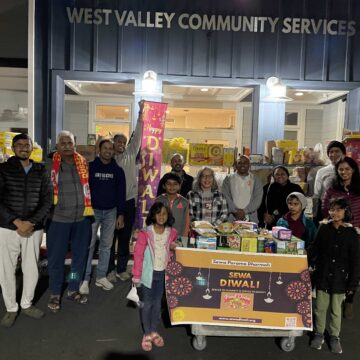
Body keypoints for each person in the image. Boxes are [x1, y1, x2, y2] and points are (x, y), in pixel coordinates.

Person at [0, 134, 52, 327]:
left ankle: (27, 303)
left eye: (27, 145)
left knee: (31, 267)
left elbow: (47, 200)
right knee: (6, 269)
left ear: (32, 148)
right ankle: (11, 308)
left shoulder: (41, 170)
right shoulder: (4, 169)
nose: (23, 148)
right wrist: (16, 221)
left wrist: (30, 222)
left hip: (33, 227)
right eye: (19, 145)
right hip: (7, 227)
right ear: (13, 148)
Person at [46, 130, 93, 312]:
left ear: (75, 145)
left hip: (81, 219)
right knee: (56, 259)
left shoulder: (83, 163)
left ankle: (73, 288)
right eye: (63, 143)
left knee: (78, 259)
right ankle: (55, 292)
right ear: (57, 146)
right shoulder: (49, 165)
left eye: (70, 143)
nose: (67, 146)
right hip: (58, 220)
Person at [307, 198, 360, 354]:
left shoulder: (352, 233)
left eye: (338, 209)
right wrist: (305, 256)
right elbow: (314, 248)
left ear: (346, 211)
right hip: (323, 275)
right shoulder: (323, 228)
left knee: (336, 310)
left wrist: (352, 284)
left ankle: (334, 337)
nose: (334, 213)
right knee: (320, 307)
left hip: (340, 279)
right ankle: (318, 334)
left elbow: (356, 261)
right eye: (332, 209)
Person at [80, 139, 126, 295]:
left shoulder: (118, 171)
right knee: (89, 244)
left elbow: (121, 194)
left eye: (110, 149)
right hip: (93, 211)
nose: (108, 151)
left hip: (111, 212)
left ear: (113, 151)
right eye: (105, 148)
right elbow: (84, 190)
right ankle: (84, 279)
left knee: (106, 246)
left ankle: (101, 276)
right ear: (99, 150)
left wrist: (121, 214)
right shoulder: (90, 167)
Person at [132, 202, 178, 352]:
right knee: (146, 305)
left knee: (158, 304)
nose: (161, 216)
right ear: (153, 215)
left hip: (162, 274)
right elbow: (138, 255)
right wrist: (136, 276)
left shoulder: (171, 232)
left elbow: (170, 252)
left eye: (164, 213)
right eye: (158, 213)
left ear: (168, 216)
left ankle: (153, 331)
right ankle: (146, 334)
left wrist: (172, 247)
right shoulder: (146, 233)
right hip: (147, 275)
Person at [108, 101, 144, 282]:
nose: (121, 144)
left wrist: (141, 113)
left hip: (129, 201)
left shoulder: (131, 153)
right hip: (111, 204)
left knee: (124, 237)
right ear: (112, 144)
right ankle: (109, 270)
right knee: (109, 238)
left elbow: (138, 135)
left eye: (123, 141)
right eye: (118, 141)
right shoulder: (108, 159)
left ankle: (122, 269)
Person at [321, 156, 360, 319]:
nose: (344, 172)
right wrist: (330, 221)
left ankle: (349, 299)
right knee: (337, 266)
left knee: (354, 268)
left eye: (347, 169)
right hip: (336, 232)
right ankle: (334, 297)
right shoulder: (333, 189)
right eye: (341, 169)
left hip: (356, 233)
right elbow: (325, 208)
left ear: (353, 170)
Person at [257, 165, 304, 229]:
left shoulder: (295, 188)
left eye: (283, 174)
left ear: (287, 176)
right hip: (270, 223)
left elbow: (301, 205)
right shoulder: (267, 188)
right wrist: (264, 216)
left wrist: (281, 217)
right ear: (273, 177)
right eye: (277, 174)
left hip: (289, 223)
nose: (280, 176)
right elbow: (260, 205)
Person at [222, 155, 263, 223]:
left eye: (245, 162)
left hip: (250, 219)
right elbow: (225, 196)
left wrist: (245, 211)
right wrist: (235, 211)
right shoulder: (228, 179)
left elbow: (258, 198)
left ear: (249, 165)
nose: (242, 165)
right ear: (235, 165)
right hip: (232, 218)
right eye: (239, 163)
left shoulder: (255, 179)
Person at [312, 140, 346, 220]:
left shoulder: (350, 170)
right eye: (331, 152)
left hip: (346, 211)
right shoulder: (322, 172)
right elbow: (317, 194)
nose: (334, 154)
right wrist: (315, 214)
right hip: (326, 210)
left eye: (337, 151)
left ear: (343, 153)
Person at [155, 173, 190, 237]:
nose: (172, 186)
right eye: (168, 184)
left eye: (175, 184)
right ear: (163, 186)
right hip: (161, 236)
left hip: (178, 237)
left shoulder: (184, 202)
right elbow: (154, 218)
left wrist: (184, 237)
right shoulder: (158, 200)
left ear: (179, 186)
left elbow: (187, 222)